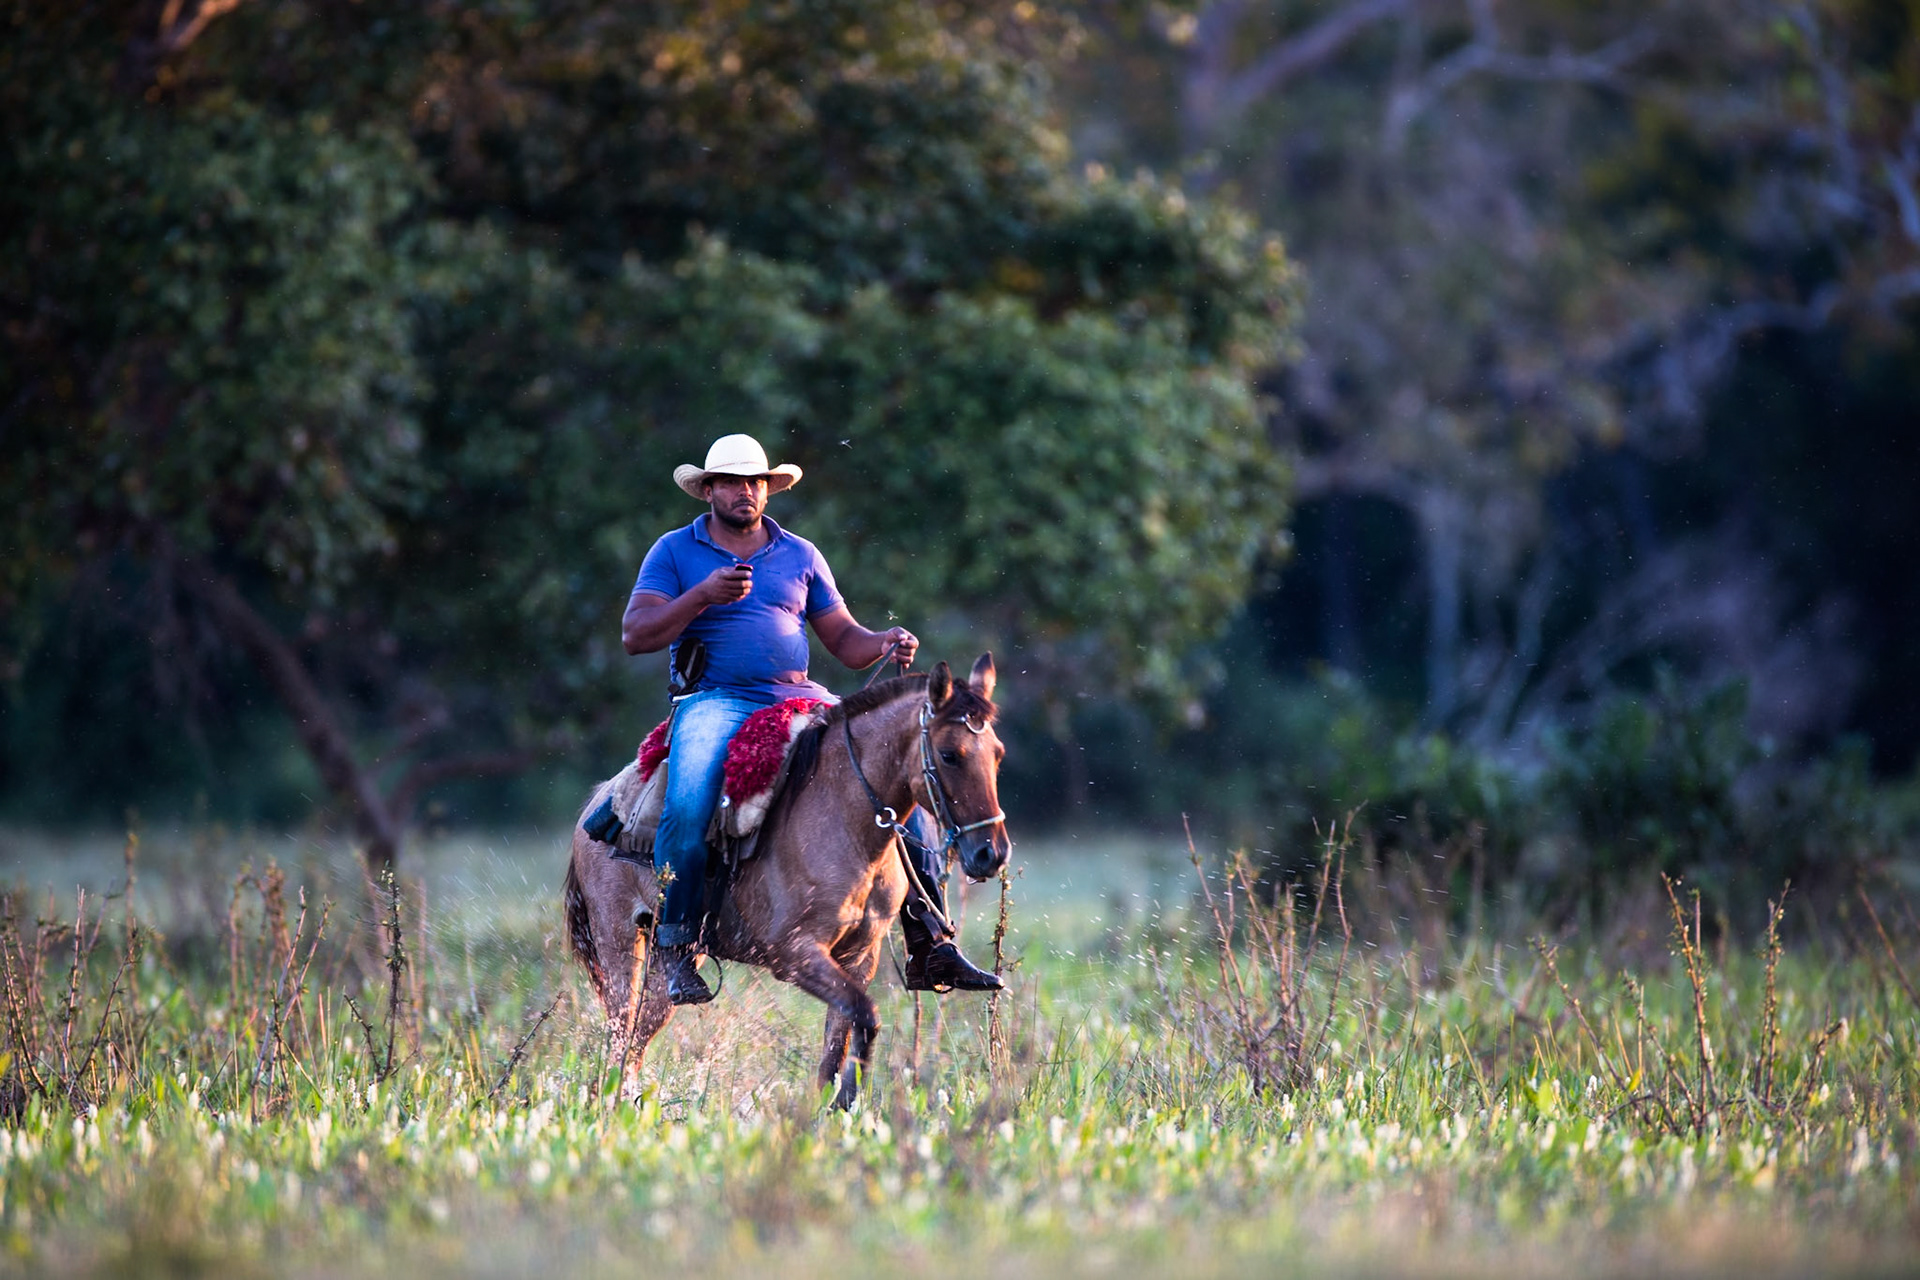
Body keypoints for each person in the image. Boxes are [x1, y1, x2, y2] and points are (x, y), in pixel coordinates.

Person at [621, 433, 1004, 1005]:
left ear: (768, 489)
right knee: (689, 797)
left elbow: (845, 641)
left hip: (800, 696)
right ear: (709, 491)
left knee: (904, 775)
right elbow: (636, 635)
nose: (745, 491)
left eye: (755, 481)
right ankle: (676, 944)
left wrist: (883, 642)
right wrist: (701, 595)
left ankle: (930, 940)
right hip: (714, 699)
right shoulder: (674, 552)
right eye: (731, 482)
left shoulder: (800, 554)